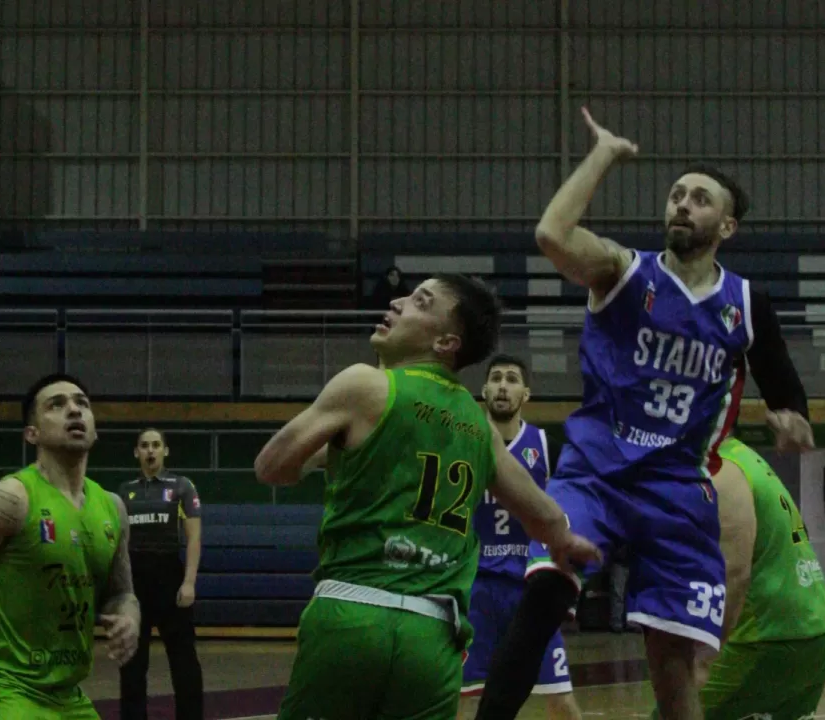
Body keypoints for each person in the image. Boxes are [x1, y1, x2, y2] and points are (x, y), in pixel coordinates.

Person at [474, 108, 816, 720]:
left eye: (700, 199)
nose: (683, 205)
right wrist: (602, 154)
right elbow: (553, 234)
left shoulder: (745, 304)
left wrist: (791, 418)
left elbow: (787, 390)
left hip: (679, 486)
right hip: (597, 471)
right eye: (676, 195)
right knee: (547, 591)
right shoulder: (622, 270)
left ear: (727, 224)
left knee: (674, 661)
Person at [254, 274, 602, 720]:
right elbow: (548, 519)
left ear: (446, 342)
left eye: (419, 301)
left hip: (351, 613)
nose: (397, 302)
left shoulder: (365, 385)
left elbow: (271, 467)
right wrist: (567, 544)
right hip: (434, 635)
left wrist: (333, 451)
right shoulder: (479, 426)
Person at [0, 373, 141, 719]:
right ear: (32, 433)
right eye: (57, 405)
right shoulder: (9, 498)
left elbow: (121, 592)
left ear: (95, 429)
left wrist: (130, 616)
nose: (74, 410)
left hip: (68, 694)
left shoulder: (113, 508)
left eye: (81, 404)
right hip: (1, 688)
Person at [652, 436, 825, 720]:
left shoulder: (720, 472)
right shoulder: (743, 455)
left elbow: (734, 573)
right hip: (818, 629)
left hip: (770, 637)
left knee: (675, 710)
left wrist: (704, 657)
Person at [460, 354, 582, 720]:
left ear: (525, 394)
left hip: (529, 591)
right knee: (464, 699)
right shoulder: (466, 442)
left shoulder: (547, 447)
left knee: (562, 702)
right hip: (475, 590)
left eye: (511, 379)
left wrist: (566, 588)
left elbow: (571, 516)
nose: (502, 385)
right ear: (483, 390)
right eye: (495, 378)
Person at [116, 428, 205, 720]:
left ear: (165, 450)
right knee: (132, 662)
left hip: (170, 577)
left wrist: (189, 582)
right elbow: (117, 544)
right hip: (135, 582)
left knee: (184, 661)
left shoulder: (182, 486)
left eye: (156, 445)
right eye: (144, 446)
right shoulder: (122, 492)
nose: (150, 451)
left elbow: (193, 538)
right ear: (136, 452)